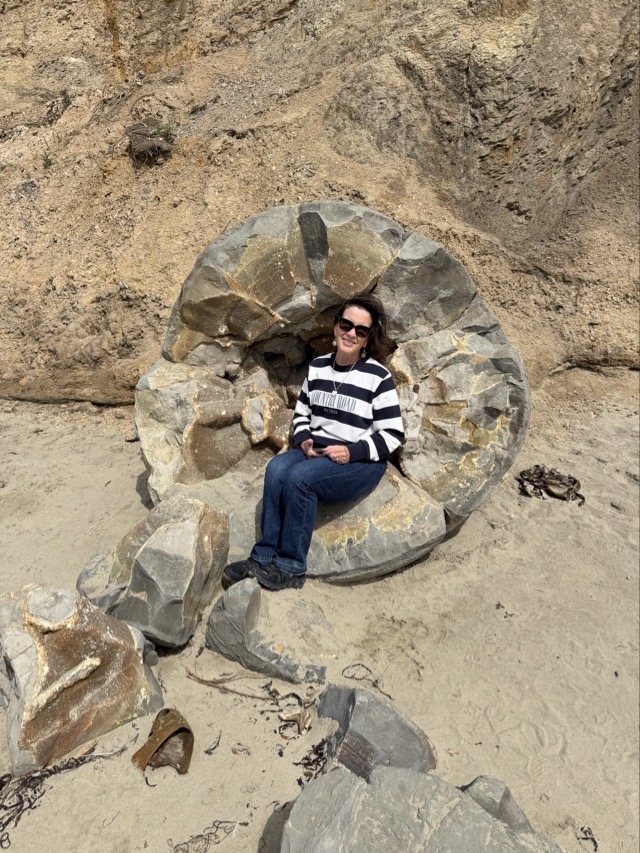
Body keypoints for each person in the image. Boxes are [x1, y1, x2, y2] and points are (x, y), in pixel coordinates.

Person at [223, 293, 405, 591]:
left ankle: (291, 567)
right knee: (277, 468)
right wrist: (304, 440)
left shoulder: (378, 377)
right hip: (318, 449)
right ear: (336, 326)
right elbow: (302, 413)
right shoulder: (319, 367)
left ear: (368, 337)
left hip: (360, 461)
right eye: (346, 325)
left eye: (361, 330)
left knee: (300, 477)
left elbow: (392, 434)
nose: (351, 334)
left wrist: (351, 452)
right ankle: (263, 556)